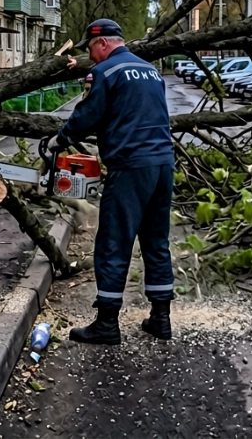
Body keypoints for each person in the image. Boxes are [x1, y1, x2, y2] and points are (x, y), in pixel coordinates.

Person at [49, 19, 176, 344]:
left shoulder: (106, 73)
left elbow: (88, 116)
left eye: (91, 49)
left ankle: (107, 322)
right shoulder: (150, 70)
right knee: (156, 241)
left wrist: (59, 141)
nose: (91, 56)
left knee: (113, 241)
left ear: (103, 43)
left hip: (131, 166)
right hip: (162, 163)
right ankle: (161, 318)